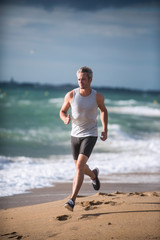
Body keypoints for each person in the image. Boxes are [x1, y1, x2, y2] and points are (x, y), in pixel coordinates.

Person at [59, 66, 108, 211]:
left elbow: (103, 110)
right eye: (79, 79)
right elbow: (62, 111)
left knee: (79, 167)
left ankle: (72, 200)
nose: (81, 82)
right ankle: (93, 175)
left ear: (90, 80)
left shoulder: (97, 96)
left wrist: (105, 129)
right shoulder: (71, 95)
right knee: (79, 167)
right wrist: (64, 119)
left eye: (84, 79)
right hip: (75, 135)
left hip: (90, 134)